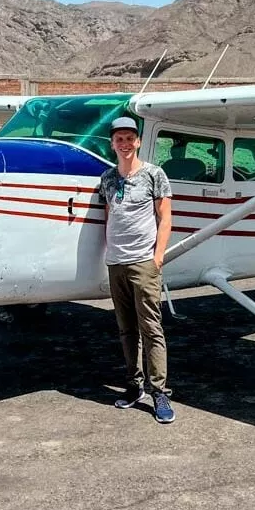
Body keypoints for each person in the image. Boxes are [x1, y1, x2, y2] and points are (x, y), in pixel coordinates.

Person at [98, 116, 175, 423]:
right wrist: (110, 252)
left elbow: (165, 217)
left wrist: (157, 257)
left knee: (151, 328)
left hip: (144, 262)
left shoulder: (155, 174)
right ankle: (134, 385)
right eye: (119, 139)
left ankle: (159, 392)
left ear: (139, 142)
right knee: (126, 329)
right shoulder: (107, 179)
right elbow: (109, 216)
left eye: (130, 138)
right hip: (116, 263)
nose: (125, 144)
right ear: (112, 144)